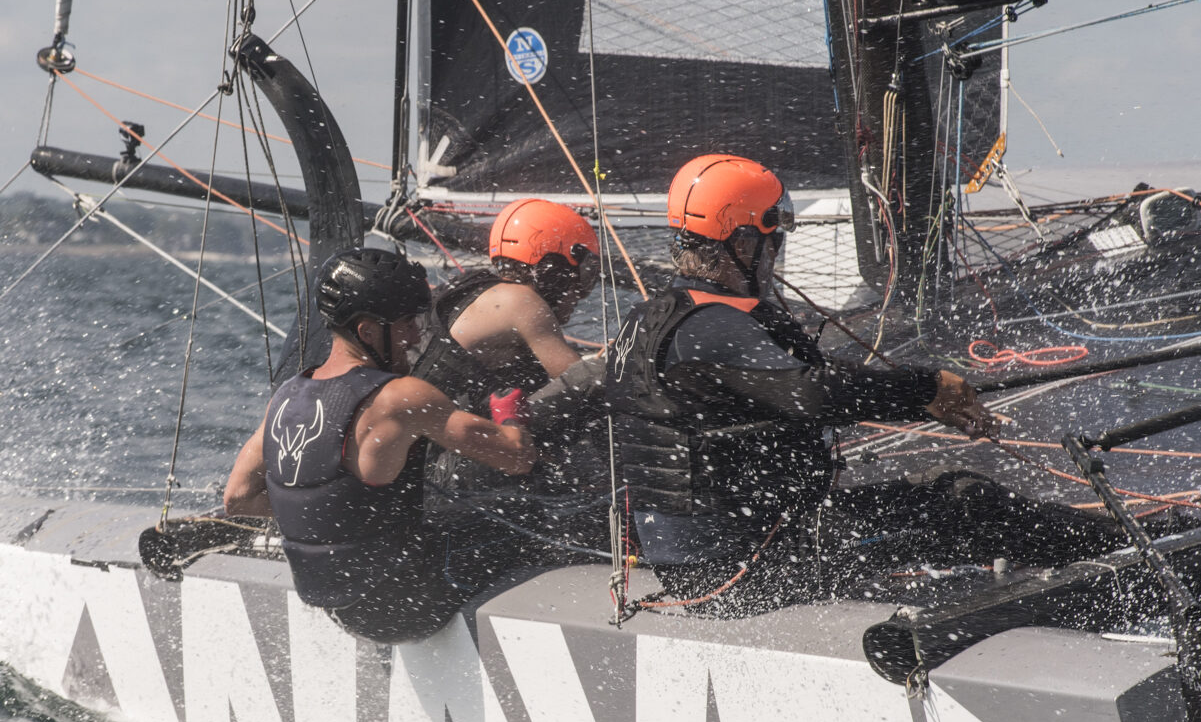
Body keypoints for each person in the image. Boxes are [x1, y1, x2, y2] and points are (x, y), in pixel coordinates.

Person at [606, 153, 1123, 613]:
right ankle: (1130, 562)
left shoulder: (647, 320)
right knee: (961, 501)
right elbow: (815, 393)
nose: (775, 255)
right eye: (772, 241)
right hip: (744, 574)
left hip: (703, 561)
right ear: (743, 241)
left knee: (934, 496)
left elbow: (577, 394)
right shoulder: (712, 326)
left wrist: (521, 418)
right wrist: (926, 389)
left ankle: (1099, 561)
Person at [224, 247, 536, 643]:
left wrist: (329, 513)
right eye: (406, 322)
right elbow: (517, 457)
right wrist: (511, 412)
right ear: (368, 331)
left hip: (340, 608)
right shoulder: (399, 397)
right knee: (534, 524)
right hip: (410, 606)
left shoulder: (285, 398)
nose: (416, 335)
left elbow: (237, 498)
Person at [413, 198, 611, 534]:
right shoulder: (522, 301)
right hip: (448, 472)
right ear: (551, 271)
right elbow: (581, 382)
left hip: (430, 467)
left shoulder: (471, 290)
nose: (580, 293)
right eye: (580, 276)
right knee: (596, 376)